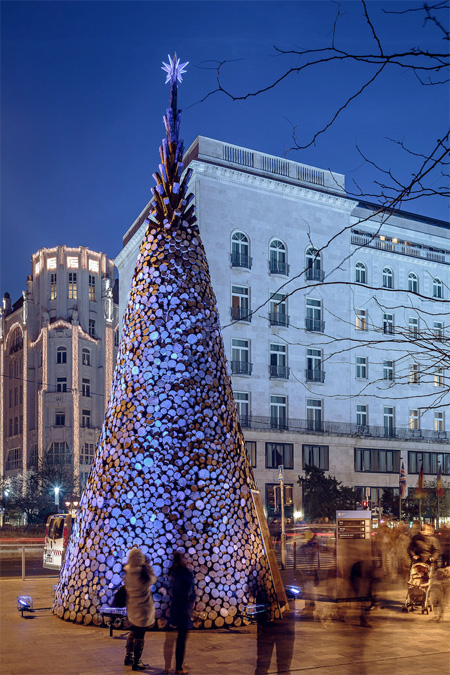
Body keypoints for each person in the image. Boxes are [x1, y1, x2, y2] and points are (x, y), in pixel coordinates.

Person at [124, 547, 157, 671]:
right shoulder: (143, 573)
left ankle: (128, 657)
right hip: (143, 608)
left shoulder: (127, 571)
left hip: (132, 607)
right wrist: (148, 568)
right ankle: (137, 661)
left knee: (134, 631)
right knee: (140, 634)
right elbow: (153, 580)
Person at [168, 552, 194, 675]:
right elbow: (189, 590)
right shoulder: (185, 573)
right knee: (181, 638)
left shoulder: (173, 572)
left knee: (178, 638)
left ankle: (177, 665)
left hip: (176, 607)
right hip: (183, 608)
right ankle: (179, 667)